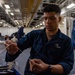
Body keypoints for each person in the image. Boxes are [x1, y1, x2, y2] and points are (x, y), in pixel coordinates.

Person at [5, 4, 74, 75]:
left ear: (59, 19)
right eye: (45, 18)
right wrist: (11, 52)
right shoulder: (34, 35)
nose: (48, 21)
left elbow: (67, 65)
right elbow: (18, 47)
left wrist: (48, 67)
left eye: (52, 18)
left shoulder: (66, 41)